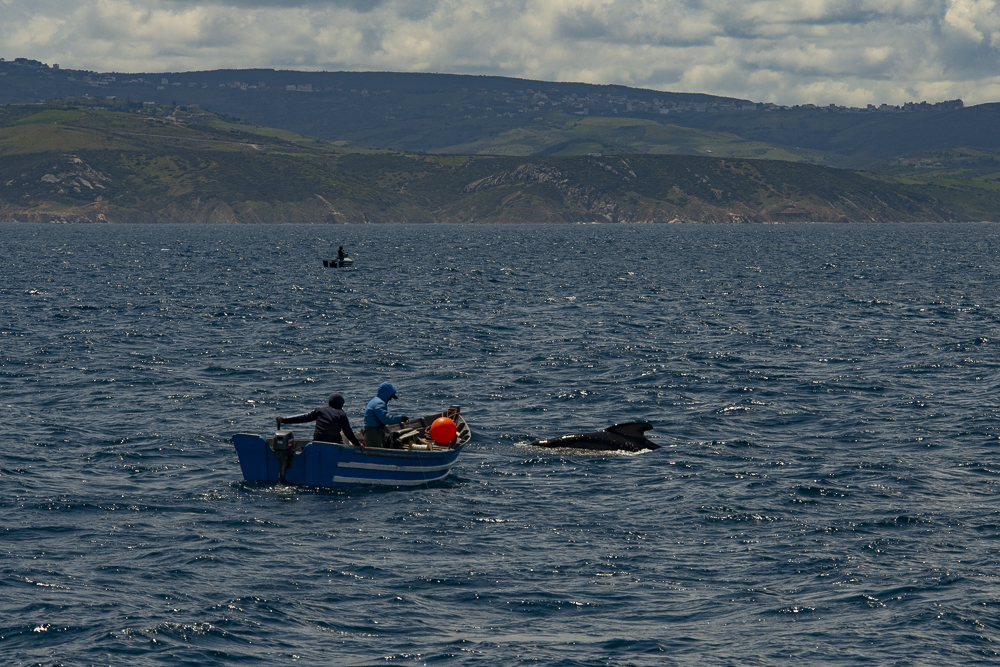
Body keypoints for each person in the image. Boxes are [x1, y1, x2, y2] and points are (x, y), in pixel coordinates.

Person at [276, 393, 361, 447]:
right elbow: (348, 432)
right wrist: (358, 445)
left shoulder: (319, 411)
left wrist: (284, 420)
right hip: (334, 445)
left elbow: (302, 418)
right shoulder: (341, 414)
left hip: (317, 443)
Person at [363, 382, 408, 448]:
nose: (390, 399)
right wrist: (400, 418)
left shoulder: (375, 401)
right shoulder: (379, 404)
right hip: (373, 433)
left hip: (373, 431)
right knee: (376, 454)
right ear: (386, 395)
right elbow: (385, 420)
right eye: (390, 397)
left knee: (390, 439)